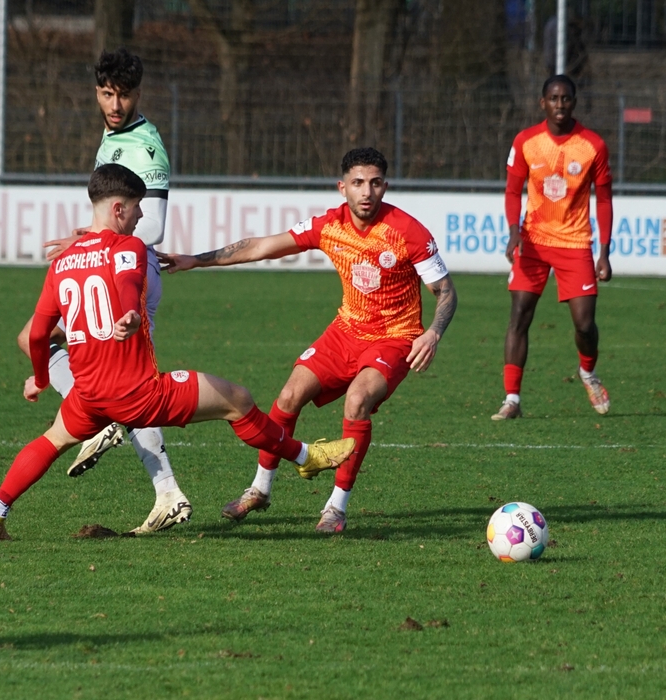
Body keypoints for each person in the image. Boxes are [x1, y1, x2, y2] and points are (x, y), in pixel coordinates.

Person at [0, 165, 354, 542]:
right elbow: (127, 281)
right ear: (118, 209)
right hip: (139, 395)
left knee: (51, 441)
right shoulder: (128, 247)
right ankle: (306, 458)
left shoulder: (62, 261)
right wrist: (130, 314)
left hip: (87, 396)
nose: (142, 216)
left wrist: (41, 380)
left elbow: (37, 335)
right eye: (137, 206)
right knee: (237, 400)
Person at [158, 148, 457, 534]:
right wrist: (197, 260)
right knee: (288, 396)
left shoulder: (408, 232)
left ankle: (336, 507)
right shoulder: (329, 225)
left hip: (394, 338)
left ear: (385, 186)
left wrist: (433, 333)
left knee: (357, 400)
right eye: (358, 183)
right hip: (345, 331)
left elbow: (445, 291)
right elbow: (260, 246)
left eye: (375, 183)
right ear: (342, 187)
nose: (366, 192)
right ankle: (259, 489)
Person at [15, 48, 186, 535]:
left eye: (124, 95)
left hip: (129, 270)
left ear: (138, 94)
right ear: (97, 91)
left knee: (101, 372)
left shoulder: (145, 147)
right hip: (111, 265)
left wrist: (90, 241)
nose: (115, 104)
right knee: (38, 339)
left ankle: (112, 426)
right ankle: (165, 491)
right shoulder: (114, 135)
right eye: (107, 94)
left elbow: (152, 226)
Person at [492, 74, 613, 421]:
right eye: (554, 98)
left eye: (566, 98)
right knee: (519, 315)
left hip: (575, 242)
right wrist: (514, 232)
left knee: (584, 325)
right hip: (533, 241)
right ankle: (512, 399)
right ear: (542, 103)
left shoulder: (593, 145)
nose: (560, 104)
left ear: (574, 102)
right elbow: (512, 191)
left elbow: (604, 200)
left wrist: (604, 253)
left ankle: (588, 372)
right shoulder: (526, 141)